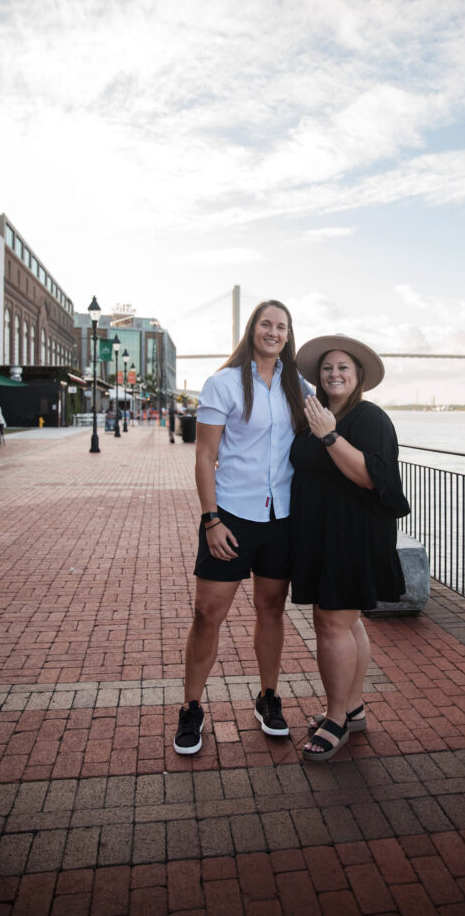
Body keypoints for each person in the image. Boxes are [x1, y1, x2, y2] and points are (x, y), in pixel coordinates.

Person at [174, 300, 307, 755]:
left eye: (282, 327)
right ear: (252, 329)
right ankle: (192, 707)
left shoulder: (298, 386)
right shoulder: (223, 383)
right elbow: (204, 457)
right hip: (230, 518)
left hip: (281, 519)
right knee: (207, 614)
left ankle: (268, 697)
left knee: (271, 610)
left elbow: (336, 408)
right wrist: (211, 519)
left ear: (289, 336)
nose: (273, 332)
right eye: (266, 324)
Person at [289, 335, 409, 762]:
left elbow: (371, 478)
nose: (334, 374)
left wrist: (329, 435)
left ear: (357, 376)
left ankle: (335, 719)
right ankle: (353, 707)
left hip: (352, 535)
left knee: (331, 623)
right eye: (327, 368)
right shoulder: (315, 415)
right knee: (347, 621)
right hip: (320, 533)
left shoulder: (368, 417)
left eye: (343, 368)